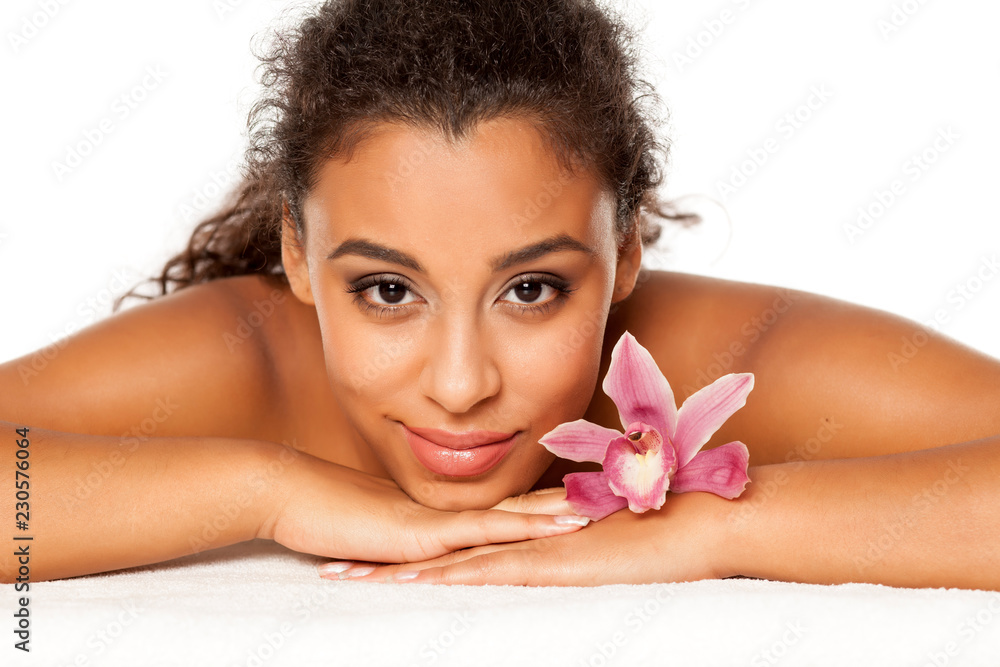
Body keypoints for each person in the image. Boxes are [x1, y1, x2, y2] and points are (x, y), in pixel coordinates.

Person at [3, 0, 999, 589]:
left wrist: (717, 525)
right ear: (298, 258)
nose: (460, 382)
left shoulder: (732, 355)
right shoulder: (244, 358)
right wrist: (273, 491)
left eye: (531, 288)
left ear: (627, 253)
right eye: (388, 289)